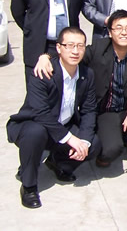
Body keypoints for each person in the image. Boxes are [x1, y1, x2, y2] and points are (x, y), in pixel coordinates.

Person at [35, 10, 127, 176]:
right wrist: (45, 57)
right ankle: (105, 147)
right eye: (118, 28)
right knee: (111, 151)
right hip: (105, 113)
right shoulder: (98, 48)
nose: (124, 32)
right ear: (110, 32)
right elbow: (72, 54)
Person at [7, 27, 100, 209]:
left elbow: (89, 110)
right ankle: (29, 186)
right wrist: (70, 138)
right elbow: (40, 113)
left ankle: (58, 163)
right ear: (58, 48)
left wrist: (83, 141)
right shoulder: (44, 71)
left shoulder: (86, 74)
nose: (75, 51)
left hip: (63, 125)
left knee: (93, 143)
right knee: (35, 133)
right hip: (33, 124)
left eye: (80, 46)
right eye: (69, 45)